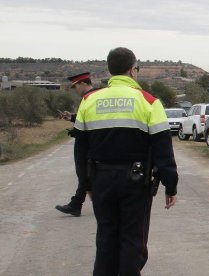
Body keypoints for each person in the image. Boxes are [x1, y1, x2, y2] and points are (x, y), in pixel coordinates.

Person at [73, 47, 178, 275]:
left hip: (101, 180)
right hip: (136, 182)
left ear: (110, 70)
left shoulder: (89, 101)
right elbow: (163, 149)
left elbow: (80, 150)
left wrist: (86, 184)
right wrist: (171, 186)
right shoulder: (149, 101)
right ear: (133, 70)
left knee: (106, 239)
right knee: (132, 241)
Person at [56, 72, 97, 216]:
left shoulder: (89, 98)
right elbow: (84, 119)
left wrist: (77, 130)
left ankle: (76, 204)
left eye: (75, 87)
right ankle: (82, 204)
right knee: (86, 176)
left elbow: (88, 122)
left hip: (86, 145)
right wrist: (72, 117)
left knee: (84, 174)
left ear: (83, 83)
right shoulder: (92, 97)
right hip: (89, 143)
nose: (75, 90)